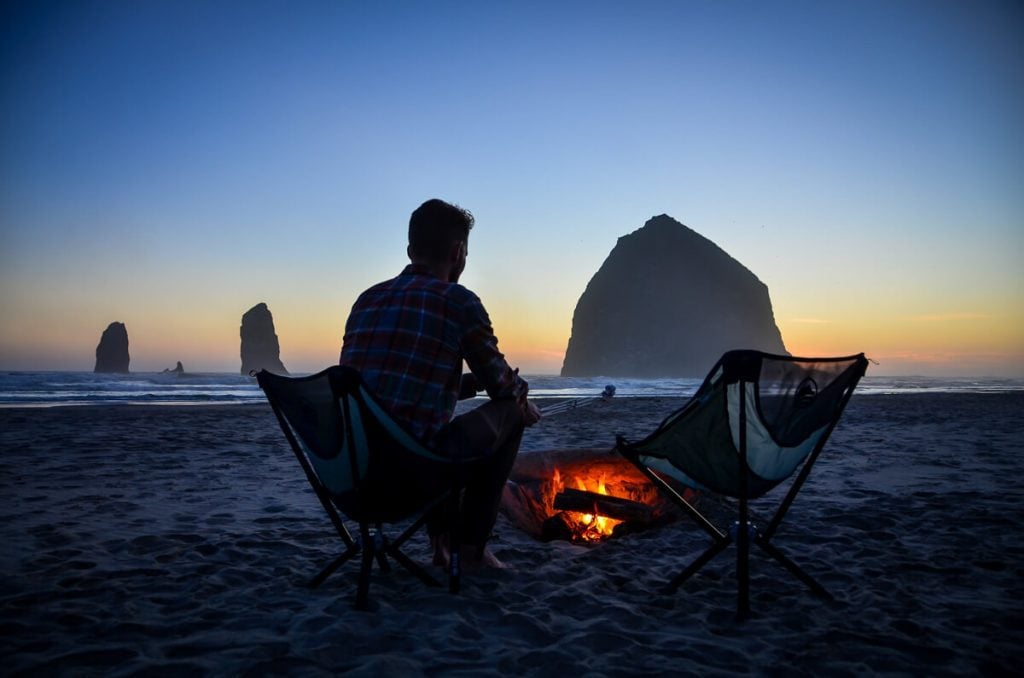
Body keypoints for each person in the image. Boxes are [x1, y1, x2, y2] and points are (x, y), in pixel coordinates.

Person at [339, 198, 541, 569]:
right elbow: (503, 388)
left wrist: (467, 385)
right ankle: (470, 550)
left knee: (424, 432)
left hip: (350, 480)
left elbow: (389, 388)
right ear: (458, 251)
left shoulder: (366, 300)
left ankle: (440, 547)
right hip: (411, 482)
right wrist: (522, 402)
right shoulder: (458, 302)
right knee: (509, 413)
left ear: (410, 250)